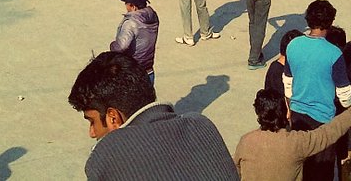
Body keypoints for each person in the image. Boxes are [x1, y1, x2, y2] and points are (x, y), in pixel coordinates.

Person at [68, 52, 238, 181]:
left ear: (113, 118)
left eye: (92, 121)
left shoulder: (106, 155)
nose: (92, 132)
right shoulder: (201, 125)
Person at [284, 0, 351, 180]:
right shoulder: (334, 53)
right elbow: (344, 94)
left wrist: (290, 109)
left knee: (302, 168)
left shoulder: (293, 45)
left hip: (297, 116)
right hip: (323, 120)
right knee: (322, 172)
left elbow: (288, 83)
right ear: (329, 23)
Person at [234, 88, 351, 181]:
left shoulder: (245, 141)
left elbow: (236, 170)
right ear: (287, 113)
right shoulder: (297, 142)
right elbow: (332, 131)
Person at [110, 0, 160, 87]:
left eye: (126, 3)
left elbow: (121, 47)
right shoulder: (153, 17)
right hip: (148, 70)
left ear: (133, 6)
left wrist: (112, 45)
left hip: (132, 72)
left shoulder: (130, 23)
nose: (125, 5)